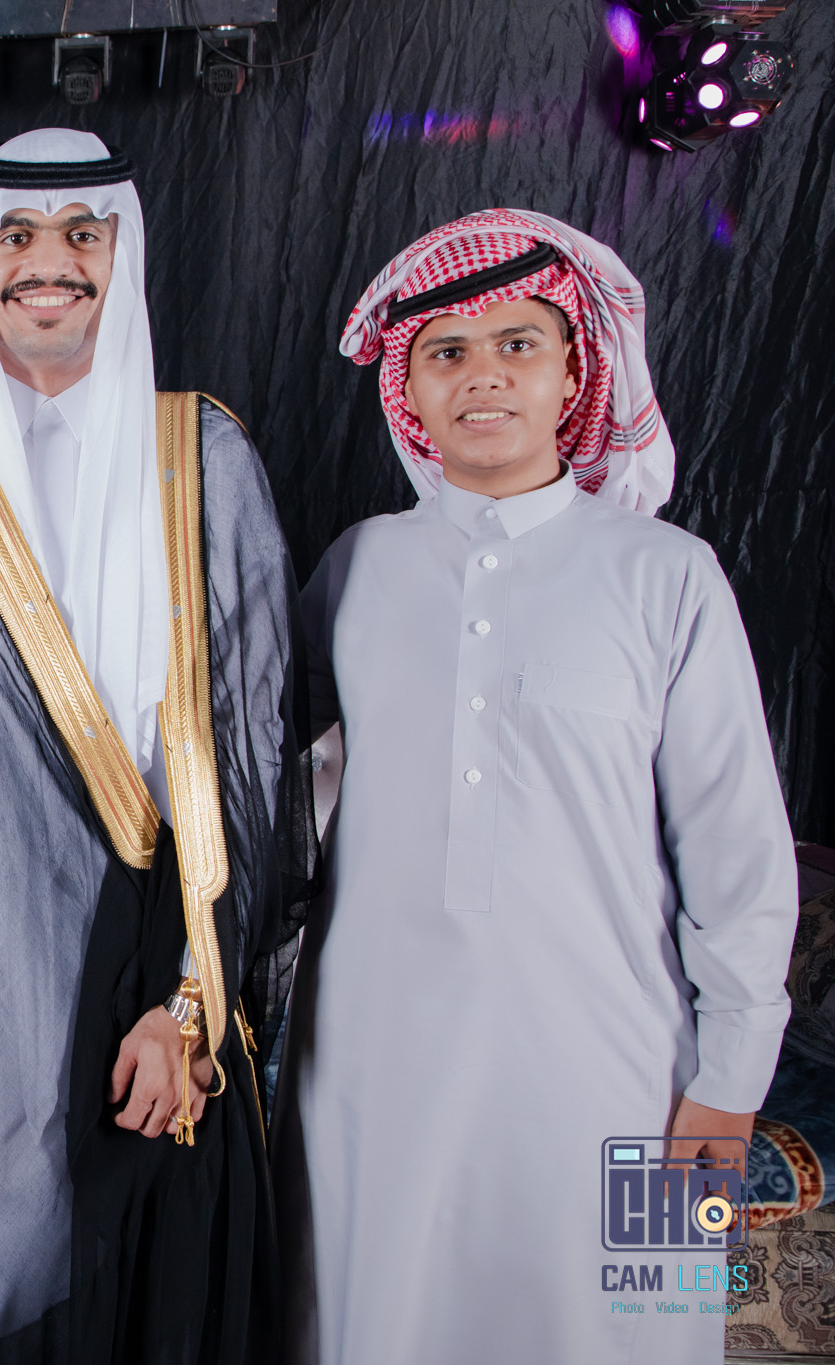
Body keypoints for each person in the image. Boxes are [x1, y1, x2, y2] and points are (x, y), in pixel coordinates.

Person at [0, 130, 312, 1364]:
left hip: (152, 972)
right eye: (17, 236)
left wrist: (189, 1005)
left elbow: (250, 754)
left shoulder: (203, 455)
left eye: (83, 234)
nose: (49, 263)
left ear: (120, 258)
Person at [279, 208, 798, 1365]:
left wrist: (727, 1082)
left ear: (571, 372)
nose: (483, 376)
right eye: (445, 351)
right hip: (371, 1056)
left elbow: (736, 853)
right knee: (375, 1320)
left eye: (517, 343)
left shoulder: (667, 576)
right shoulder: (355, 568)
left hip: (626, 1065)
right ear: (408, 389)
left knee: (640, 1326)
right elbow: (263, 783)